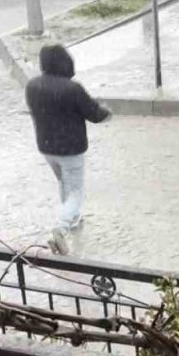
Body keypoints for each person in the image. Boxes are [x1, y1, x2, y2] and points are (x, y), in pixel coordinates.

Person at [25, 44, 111, 255]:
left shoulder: (32, 86)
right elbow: (94, 114)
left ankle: (73, 219)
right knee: (76, 192)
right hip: (70, 149)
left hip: (46, 147)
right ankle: (61, 227)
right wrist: (107, 111)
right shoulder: (72, 89)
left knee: (64, 183)